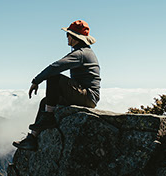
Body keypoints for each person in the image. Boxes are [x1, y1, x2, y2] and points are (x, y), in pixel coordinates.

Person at [13, 20, 100, 150]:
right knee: (45, 102)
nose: (67, 37)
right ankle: (32, 138)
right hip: (84, 94)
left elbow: (56, 67)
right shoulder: (82, 52)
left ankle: (48, 117)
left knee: (54, 77)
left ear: (75, 37)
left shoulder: (81, 54)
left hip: (88, 96)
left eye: (68, 35)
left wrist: (36, 81)